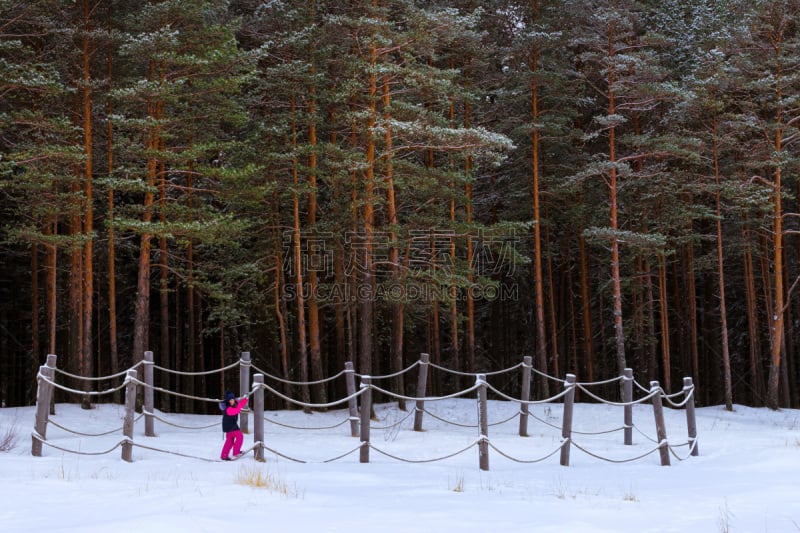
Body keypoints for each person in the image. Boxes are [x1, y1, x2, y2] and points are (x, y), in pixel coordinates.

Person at [219, 390, 248, 461]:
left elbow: (240, 405)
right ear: (228, 401)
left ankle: (224, 455)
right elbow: (237, 410)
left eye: (233, 399)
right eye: (230, 400)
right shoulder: (228, 408)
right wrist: (238, 403)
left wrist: (245, 399)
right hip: (230, 427)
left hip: (230, 426)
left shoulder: (234, 405)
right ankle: (235, 452)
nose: (232, 401)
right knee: (239, 436)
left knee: (230, 441)